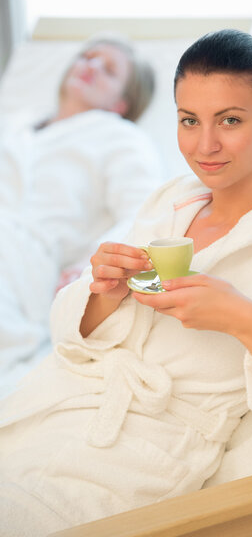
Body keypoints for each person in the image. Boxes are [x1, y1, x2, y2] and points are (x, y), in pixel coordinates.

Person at [0, 29, 252, 536]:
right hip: (43, 416)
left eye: (229, 121)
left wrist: (243, 319)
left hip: (120, 469)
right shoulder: (173, 201)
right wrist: (100, 294)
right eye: (190, 121)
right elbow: (69, 339)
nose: (204, 146)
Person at [0, 35, 162, 394]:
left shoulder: (121, 138)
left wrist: (93, 264)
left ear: (122, 102)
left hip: (27, 263)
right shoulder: (15, 127)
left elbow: (145, 210)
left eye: (109, 70)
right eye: (87, 57)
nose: (90, 66)